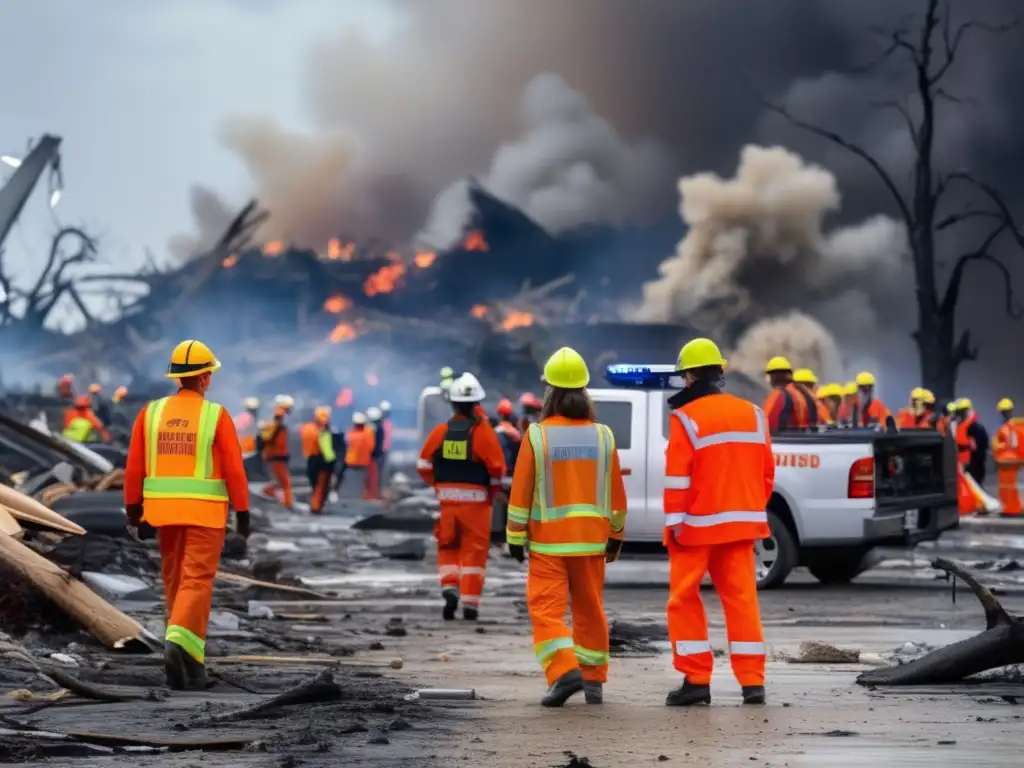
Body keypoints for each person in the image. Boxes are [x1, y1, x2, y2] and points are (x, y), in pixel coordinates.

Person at [123, 340, 249, 690]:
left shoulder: (150, 413)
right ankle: (177, 642)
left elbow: (134, 467)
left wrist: (134, 510)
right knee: (196, 581)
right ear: (205, 378)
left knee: (176, 582)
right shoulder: (215, 415)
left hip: (162, 515)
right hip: (205, 514)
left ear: (177, 377)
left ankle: (192, 665)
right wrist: (242, 512)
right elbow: (235, 470)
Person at [506, 348, 627, 707]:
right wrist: (616, 536)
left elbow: (521, 492)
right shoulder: (604, 435)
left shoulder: (536, 436)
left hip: (549, 544)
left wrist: (514, 538)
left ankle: (564, 670)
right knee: (591, 609)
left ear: (550, 394)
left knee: (546, 612)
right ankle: (592, 682)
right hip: (591, 542)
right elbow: (616, 494)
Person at [663, 338, 774, 707]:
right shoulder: (754, 414)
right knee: (742, 601)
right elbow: (766, 475)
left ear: (692, 376)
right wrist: (748, 508)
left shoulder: (685, 418)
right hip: (742, 527)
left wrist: (674, 526)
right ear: (720, 373)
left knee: (683, 601)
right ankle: (752, 683)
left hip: (695, 529)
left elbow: (678, 478)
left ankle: (696, 681)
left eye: (685, 376)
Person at [418, 373, 505, 622]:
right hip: (477, 504)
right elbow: (497, 468)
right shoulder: (483, 433)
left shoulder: (440, 432)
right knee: (474, 552)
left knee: (448, 546)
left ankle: (449, 587)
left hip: (447, 502)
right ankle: (470, 604)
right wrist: (493, 491)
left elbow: (423, 464)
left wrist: (439, 485)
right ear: (476, 403)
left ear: (453, 403)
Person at [260, 394, 295, 509]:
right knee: (285, 481)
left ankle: (271, 492)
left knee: (280, 480)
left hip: (276, 454)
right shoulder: (279, 416)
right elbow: (274, 436)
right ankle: (288, 504)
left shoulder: (277, 416)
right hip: (277, 454)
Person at [301, 406, 337, 515]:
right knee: (320, 486)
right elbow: (326, 449)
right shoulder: (323, 432)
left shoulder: (306, 428)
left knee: (314, 485)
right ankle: (316, 507)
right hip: (321, 460)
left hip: (310, 459)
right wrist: (333, 462)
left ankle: (315, 505)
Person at [993, 398, 1023, 517]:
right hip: (1013, 460)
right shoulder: (1016, 426)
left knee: (1007, 487)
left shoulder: (1006, 428)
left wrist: (998, 450)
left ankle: (1010, 508)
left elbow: (1001, 445)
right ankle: (1012, 507)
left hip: (1006, 461)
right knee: (1010, 487)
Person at [762, 357, 809, 433]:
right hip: (797, 438)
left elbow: (766, 422)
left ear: (773, 376)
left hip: (782, 441)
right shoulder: (798, 393)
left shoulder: (778, 394)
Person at [956, 398, 989, 485]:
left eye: (962, 411)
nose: (960, 415)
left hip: (974, 469)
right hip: (961, 467)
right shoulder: (958, 427)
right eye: (959, 412)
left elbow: (981, 450)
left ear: (968, 411)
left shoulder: (977, 429)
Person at [345, 412, 377, 499]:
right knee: (364, 481)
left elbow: (347, 445)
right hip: (364, 462)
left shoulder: (350, 433)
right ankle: (364, 494)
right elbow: (371, 447)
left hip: (350, 461)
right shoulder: (368, 433)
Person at [366, 406, 384, 500]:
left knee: (372, 476)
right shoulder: (379, 427)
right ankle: (372, 494)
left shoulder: (373, 428)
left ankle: (372, 495)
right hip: (374, 454)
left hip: (372, 455)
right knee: (372, 476)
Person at [377, 400, 393, 484]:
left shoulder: (388, 423)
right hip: (379, 451)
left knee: (382, 470)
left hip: (384, 450)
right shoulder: (378, 423)